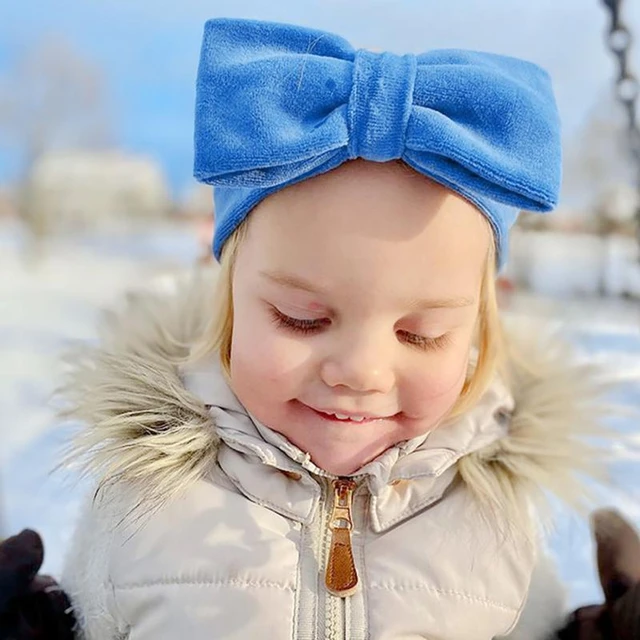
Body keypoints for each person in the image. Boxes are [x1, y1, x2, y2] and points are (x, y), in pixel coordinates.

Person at [48, 17, 616, 639]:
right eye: (302, 319)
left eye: (420, 333)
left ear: (478, 327)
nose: (362, 371)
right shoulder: (141, 498)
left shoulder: (496, 511)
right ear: (229, 297)